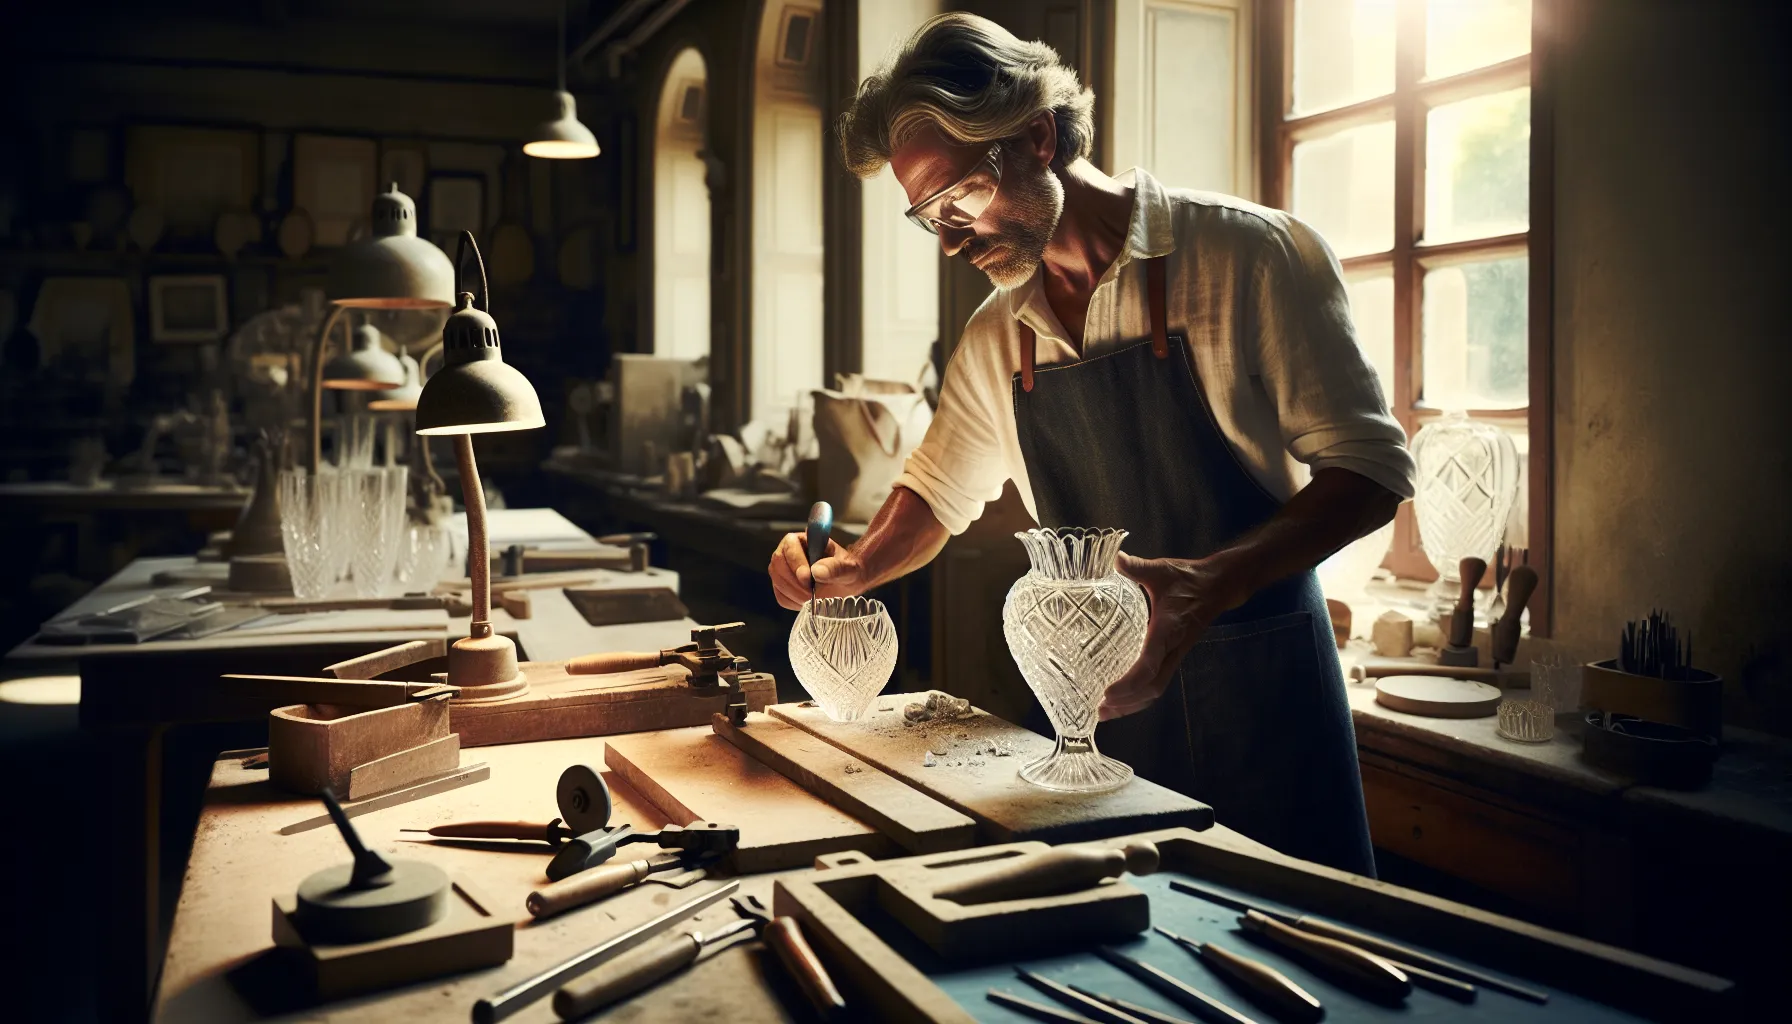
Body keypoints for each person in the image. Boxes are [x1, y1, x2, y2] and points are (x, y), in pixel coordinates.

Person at [767, 13, 1413, 876]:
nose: (951, 238)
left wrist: (1206, 585)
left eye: (958, 198)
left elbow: (1371, 471)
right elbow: (939, 491)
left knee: (1311, 955)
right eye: (929, 217)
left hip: (1265, 702)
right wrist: (853, 569)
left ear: (1035, 136)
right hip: (1101, 713)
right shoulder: (999, 334)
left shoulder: (1247, 255)